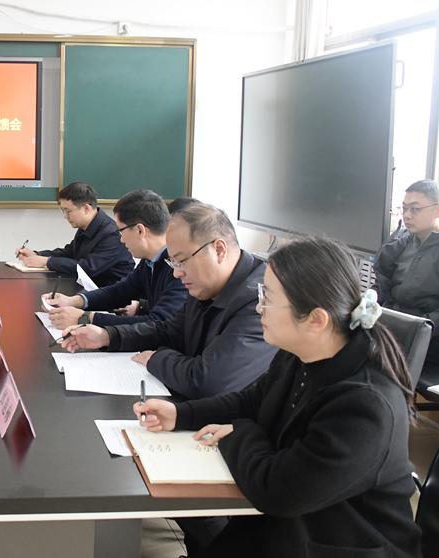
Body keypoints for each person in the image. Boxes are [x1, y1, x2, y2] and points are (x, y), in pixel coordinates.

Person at [134, 237, 421, 558]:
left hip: (338, 543)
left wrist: (239, 432)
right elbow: (250, 401)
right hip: (289, 529)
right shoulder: (300, 354)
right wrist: (181, 414)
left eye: (267, 298)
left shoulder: (366, 406)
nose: (258, 307)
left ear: (316, 320)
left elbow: (279, 492)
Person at [61, 201, 276, 399]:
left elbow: (208, 381)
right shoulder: (206, 286)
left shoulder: (261, 301)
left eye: (181, 261)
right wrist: (108, 336)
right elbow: (168, 331)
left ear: (219, 250)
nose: (176, 273)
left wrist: (156, 359)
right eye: (173, 263)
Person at [43, 189, 187, 329]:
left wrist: (85, 318)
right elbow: (119, 291)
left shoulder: (179, 268)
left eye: (121, 231)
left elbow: (156, 323)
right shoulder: (150, 261)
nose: (121, 240)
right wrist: (73, 301)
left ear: (140, 230)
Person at [375, 179, 439, 387]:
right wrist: (369, 300)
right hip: (392, 327)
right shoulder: (401, 243)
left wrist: (417, 329)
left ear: (436, 210)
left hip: (428, 340)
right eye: (404, 208)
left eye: (415, 209)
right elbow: (383, 286)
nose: (407, 215)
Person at [15, 181, 133, 286]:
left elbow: (87, 268)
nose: (65, 216)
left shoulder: (111, 234)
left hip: (113, 296)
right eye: (63, 211)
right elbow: (70, 252)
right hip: (89, 288)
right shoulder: (86, 226)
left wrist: (46, 261)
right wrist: (37, 254)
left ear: (86, 208)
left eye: (68, 211)